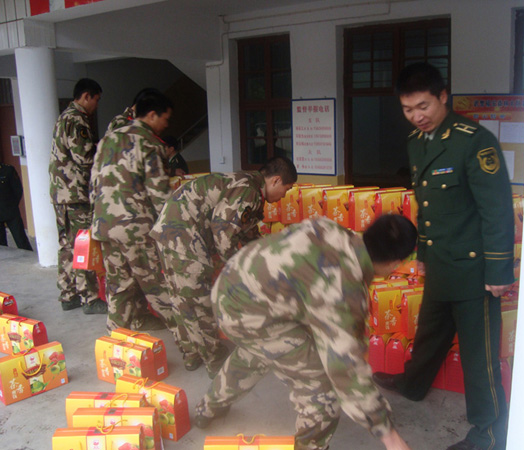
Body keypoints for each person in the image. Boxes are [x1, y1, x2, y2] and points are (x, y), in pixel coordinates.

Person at [372, 62, 515, 450]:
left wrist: (499, 269)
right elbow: (428, 205)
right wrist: (422, 251)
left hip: (473, 269)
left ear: (442, 97)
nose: (416, 116)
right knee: (430, 333)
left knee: (479, 358)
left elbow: (497, 209)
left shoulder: (474, 141)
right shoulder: (417, 143)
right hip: (439, 262)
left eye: (423, 106)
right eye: (407, 109)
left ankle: (488, 435)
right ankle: (413, 383)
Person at [194, 215, 417, 450]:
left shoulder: (331, 229)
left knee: (258, 352)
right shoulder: (343, 290)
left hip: (230, 287)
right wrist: (389, 436)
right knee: (321, 389)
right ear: (394, 264)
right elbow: (345, 369)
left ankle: (208, 407)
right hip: (249, 314)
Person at [149, 156, 297, 373]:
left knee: (182, 297)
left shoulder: (249, 186)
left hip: (172, 230)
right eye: (287, 188)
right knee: (196, 299)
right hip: (183, 234)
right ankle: (213, 359)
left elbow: (246, 232)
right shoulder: (249, 191)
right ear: (275, 180)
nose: (284, 195)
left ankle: (192, 353)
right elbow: (224, 235)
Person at [90, 91, 178, 334]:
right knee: (157, 285)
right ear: (152, 115)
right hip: (134, 229)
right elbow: (160, 196)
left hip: (104, 225)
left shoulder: (107, 140)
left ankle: (115, 339)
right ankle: (193, 342)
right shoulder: (149, 143)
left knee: (118, 286)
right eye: (165, 119)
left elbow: (94, 184)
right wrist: (173, 232)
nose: (166, 125)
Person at [49, 78, 106, 314]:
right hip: (75, 194)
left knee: (67, 245)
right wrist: (102, 149)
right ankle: (90, 298)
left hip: (60, 194)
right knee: (83, 244)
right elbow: (84, 157)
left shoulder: (63, 117)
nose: (96, 105)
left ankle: (68, 294)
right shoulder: (77, 119)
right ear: (86, 96)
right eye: (96, 100)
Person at [0, 162, 32, 251]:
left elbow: (18, 190)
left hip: (11, 211)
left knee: (21, 240)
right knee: (2, 245)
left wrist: (12, 205)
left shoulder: (8, 170)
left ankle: (28, 257)